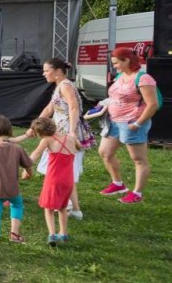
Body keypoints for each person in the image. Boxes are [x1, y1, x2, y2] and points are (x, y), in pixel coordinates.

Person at [34, 58, 95, 218]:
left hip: (66, 133)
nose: (44, 73)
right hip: (60, 131)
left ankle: (67, 205)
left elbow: (74, 108)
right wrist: (36, 124)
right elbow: (50, 108)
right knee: (62, 170)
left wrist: (72, 132)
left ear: (58, 72)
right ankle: (74, 208)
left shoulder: (66, 86)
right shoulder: (60, 86)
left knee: (64, 170)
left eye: (47, 70)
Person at [97, 47, 159, 204]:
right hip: (114, 121)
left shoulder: (144, 79)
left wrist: (137, 123)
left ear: (127, 60)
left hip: (132, 123)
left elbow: (152, 105)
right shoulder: (120, 75)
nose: (114, 66)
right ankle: (118, 184)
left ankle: (137, 193)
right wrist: (102, 106)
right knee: (105, 153)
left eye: (116, 63)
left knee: (138, 159)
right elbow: (115, 97)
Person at [0, 115, 33, 261]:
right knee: (17, 204)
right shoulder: (17, 148)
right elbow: (28, 166)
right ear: (10, 131)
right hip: (12, 190)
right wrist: (28, 174)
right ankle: (14, 234)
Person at [26, 117, 77, 246]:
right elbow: (80, 146)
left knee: (48, 207)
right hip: (68, 180)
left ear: (40, 133)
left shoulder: (47, 140)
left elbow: (35, 154)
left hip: (53, 179)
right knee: (62, 207)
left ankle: (52, 234)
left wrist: (26, 167)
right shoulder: (70, 138)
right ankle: (64, 233)